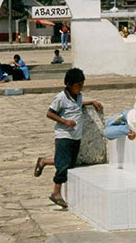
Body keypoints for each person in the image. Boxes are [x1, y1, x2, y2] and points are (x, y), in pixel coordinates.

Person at [33, 67, 103, 209]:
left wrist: (91, 102)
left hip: (75, 136)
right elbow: (49, 113)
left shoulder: (79, 96)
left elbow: (78, 105)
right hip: (64, 135)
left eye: (82, 84)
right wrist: (65, 121)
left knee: (69, 163)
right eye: (78, 85)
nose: (81, 87)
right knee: (63, 165)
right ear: (69, 85)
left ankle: (44, 161)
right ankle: (56, 192)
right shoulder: (60, 98)